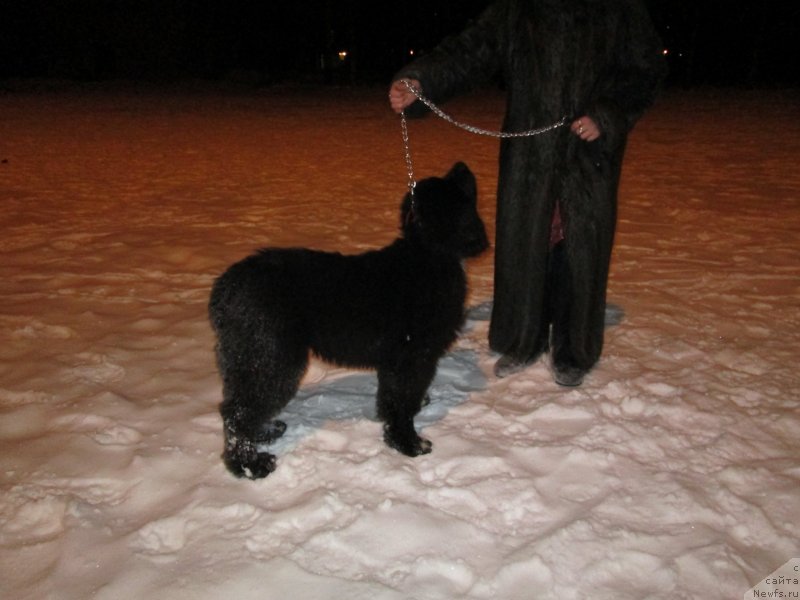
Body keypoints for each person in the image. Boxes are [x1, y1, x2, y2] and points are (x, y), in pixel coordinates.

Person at [389, 0, 666, 386]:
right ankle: (524, 338)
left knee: (578, 246)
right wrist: (422, 82)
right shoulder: (518, 8)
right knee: (526, 241)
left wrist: (607, 114)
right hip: (529, 156)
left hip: (588, 153)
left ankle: (573, 350)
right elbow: (472, 49)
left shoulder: (619, 8)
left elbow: (645, 69)